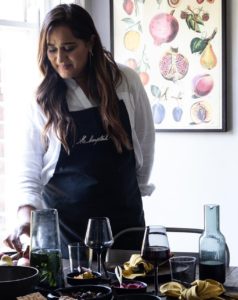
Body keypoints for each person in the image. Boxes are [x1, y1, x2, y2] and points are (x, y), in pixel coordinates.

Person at [4, 3, 155, 258]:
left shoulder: (125, 81)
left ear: (91, 43)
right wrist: (24, 221)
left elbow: (144, 147)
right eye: (52, 50)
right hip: (67, 238)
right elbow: (27, 174)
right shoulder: (41, 99)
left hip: (125, 227)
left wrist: (131, 196)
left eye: (69, 48)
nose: (60, 59)